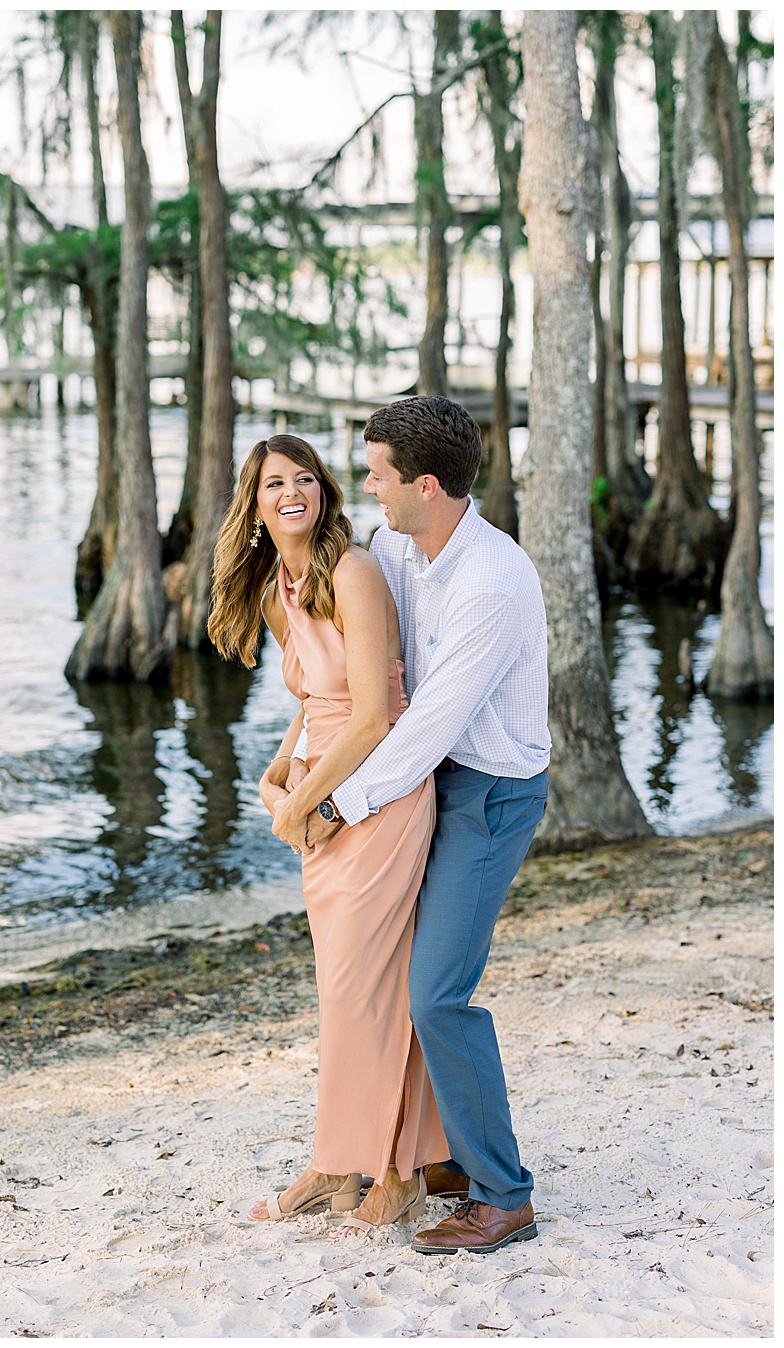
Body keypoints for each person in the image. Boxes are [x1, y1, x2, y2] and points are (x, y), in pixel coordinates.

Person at [297, 396, 550, 1255]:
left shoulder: (495, 580)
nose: (365, 487)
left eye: (376, 475)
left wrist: (337, 805)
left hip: (487, 796)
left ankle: (503, 1194)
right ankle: (428, 1158)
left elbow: (426, 725)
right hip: (423, 787)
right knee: (390, 976)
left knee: (437, 994)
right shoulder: (397, 549)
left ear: (427, 484)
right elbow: (369, 673)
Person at [208, 434, 450, 1240]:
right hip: (324, 797)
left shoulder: (353, 572)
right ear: (255, 506)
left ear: (324, 491)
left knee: (364, 992)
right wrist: (278, 775)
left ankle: (388, 1172)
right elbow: (315, 701)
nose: (291, 492)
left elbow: (377, 716)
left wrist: (300, 802)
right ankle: (343, 1161)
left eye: (303, 478)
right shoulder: (285, 588)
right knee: (348, 993)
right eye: (274, 483)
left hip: (380, 795)